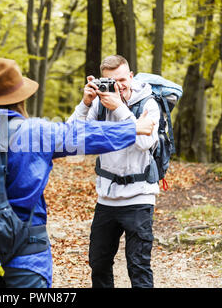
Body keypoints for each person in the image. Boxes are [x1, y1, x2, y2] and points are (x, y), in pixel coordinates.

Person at [0, 57, 155, 288]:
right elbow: (80, 136)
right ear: (22, 96)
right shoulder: (35, 132)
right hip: (26, 244)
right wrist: (132, 127)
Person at [68, 55, 160, 288]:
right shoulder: (99, 103)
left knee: (138, 266)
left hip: (140, 196)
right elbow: (71, 140)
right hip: (107, 198)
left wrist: (119, 108)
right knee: (98, 263)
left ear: (130, 76)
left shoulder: (148, 104)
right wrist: (86, 103)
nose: (118, 86)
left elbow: (145, 143)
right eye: (111, 81)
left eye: (121, 79)